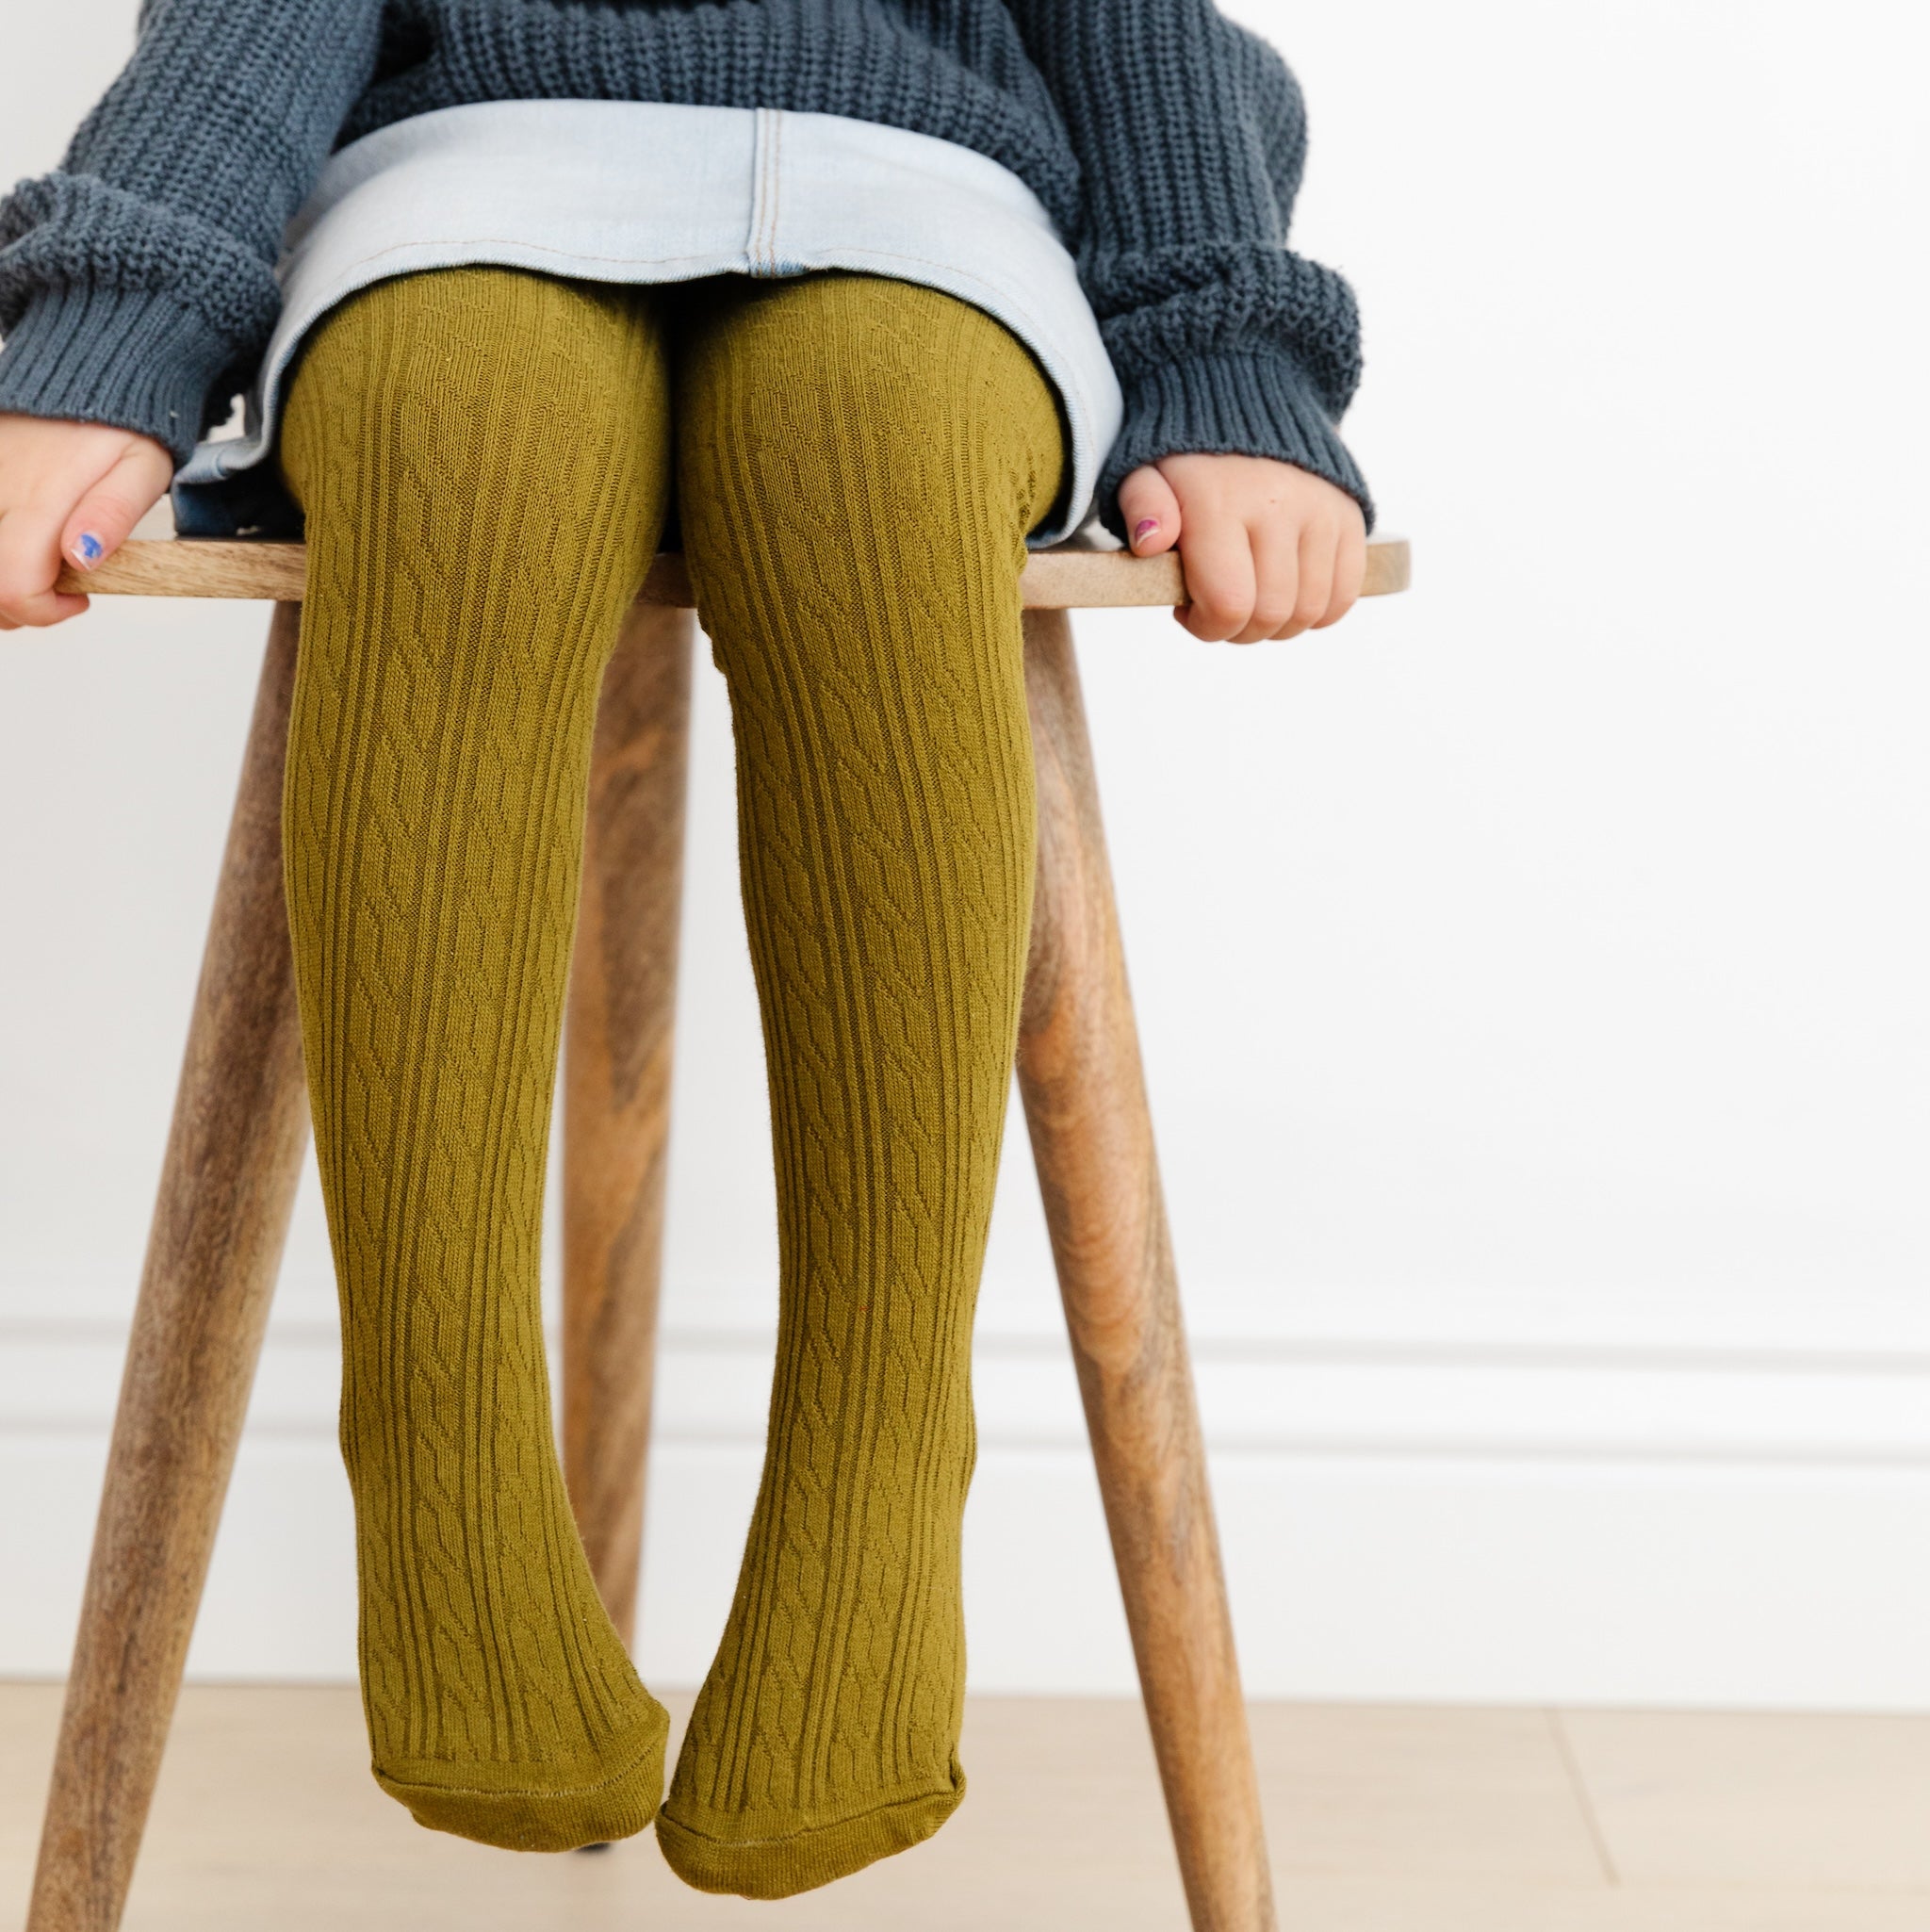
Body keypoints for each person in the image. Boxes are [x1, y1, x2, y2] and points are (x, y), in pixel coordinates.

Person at [0, 0, 1371, 1899]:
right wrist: (112, 331)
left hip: (929, 197)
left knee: (879, 448)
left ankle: (882, 1473)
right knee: (446, 433)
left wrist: (1226, 361)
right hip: (465, 174)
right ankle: (439, 1449)